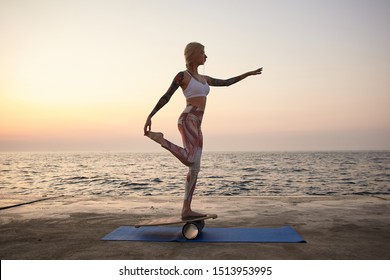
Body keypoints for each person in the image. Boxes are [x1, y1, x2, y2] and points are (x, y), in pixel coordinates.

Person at [143, 42, 262, 219]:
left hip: (197, 123)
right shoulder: (183, 76)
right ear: (193, 55)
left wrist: (248, 74)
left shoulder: (204, 79)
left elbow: (227, 83)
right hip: (188, 118)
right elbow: (166, 96)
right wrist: (150, 115)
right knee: (191, 160)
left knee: (195, 168)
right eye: (203, 53)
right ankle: (161, 140)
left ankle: (186, 209)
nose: (206, 56)